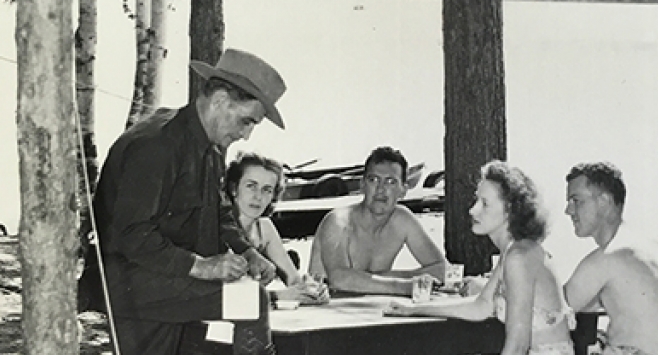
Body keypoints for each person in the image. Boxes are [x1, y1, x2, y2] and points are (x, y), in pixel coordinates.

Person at [90, 48, 287, 355]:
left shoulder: (207, 146)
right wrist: (201, 266)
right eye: (246, 121)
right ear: (220, 101)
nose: (246, 135)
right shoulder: (157, 145)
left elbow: (219, 213)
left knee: (247, 300)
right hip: (130, 281)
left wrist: (246, 252)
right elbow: (130, 234)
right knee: (251, 300)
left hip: (169, 280)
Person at [384, 160, 574, 355]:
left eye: (485, 204)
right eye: (476, 201)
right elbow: (480, 306)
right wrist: (414, 309)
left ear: (510, 210)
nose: (472, 210)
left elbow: (518, 346)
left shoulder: (519, 257)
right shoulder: (513, 250)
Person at [563, 162, 658, 355]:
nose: (569, 211)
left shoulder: (608, 258)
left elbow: (549, 311)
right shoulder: (646, 247)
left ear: (604, 202)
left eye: (576, 200)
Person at [307, 146, 448, 295]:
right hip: (326, 311)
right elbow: (339, 279)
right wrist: (404, 286)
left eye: (390, 182)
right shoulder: (339, 222)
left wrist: (374, 278)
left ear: (403, 191)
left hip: (373, 310)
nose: (381, 189)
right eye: (373, 180)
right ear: (362, 186)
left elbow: (442, 269)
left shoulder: (402, 220)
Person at [225, 152, 329, 304]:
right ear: (234, 188)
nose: (258, 196)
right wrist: (279, 296)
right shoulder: (217, 229)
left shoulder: (264, 227)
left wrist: (313, 291)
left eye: (266, 189)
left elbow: (293, 280)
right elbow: (226, 298)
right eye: (251, 186)